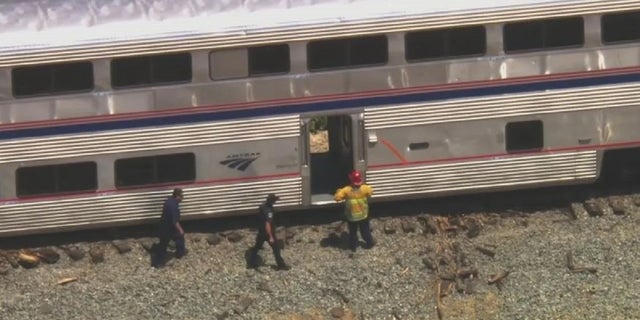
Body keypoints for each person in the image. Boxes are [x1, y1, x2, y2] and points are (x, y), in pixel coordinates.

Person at [334, 170, 375, 252]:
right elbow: (370, 192)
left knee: (352, 233)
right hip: (363, 215)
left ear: (351, 180)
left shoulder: (347, 190)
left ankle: (353, 247)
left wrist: (338, 191)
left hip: (352, 217)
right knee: (365, 231)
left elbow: (337, 198)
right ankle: (370, 243)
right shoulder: (365, 188)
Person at [248, 193, 290, 271]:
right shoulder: (268, 211)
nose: (275, 202)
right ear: (272, 201)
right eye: (274, 200)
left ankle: (251, 263)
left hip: (261, 232)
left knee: (257, 247)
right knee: (276, 249)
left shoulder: (262, 207)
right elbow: (267, 223)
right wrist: (270, 236)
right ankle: (281, 265)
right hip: (268, 233)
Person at [152, 188, 187, 268]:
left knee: (178, 238)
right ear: (177, 196)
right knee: (164, 244)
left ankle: (180, 252)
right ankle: (158, 263)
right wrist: (181, 230)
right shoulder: (173, 206)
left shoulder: (169, 200)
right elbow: (174, 221)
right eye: (181, 196)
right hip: (168, 228)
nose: (182, 198)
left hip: (164, 226)